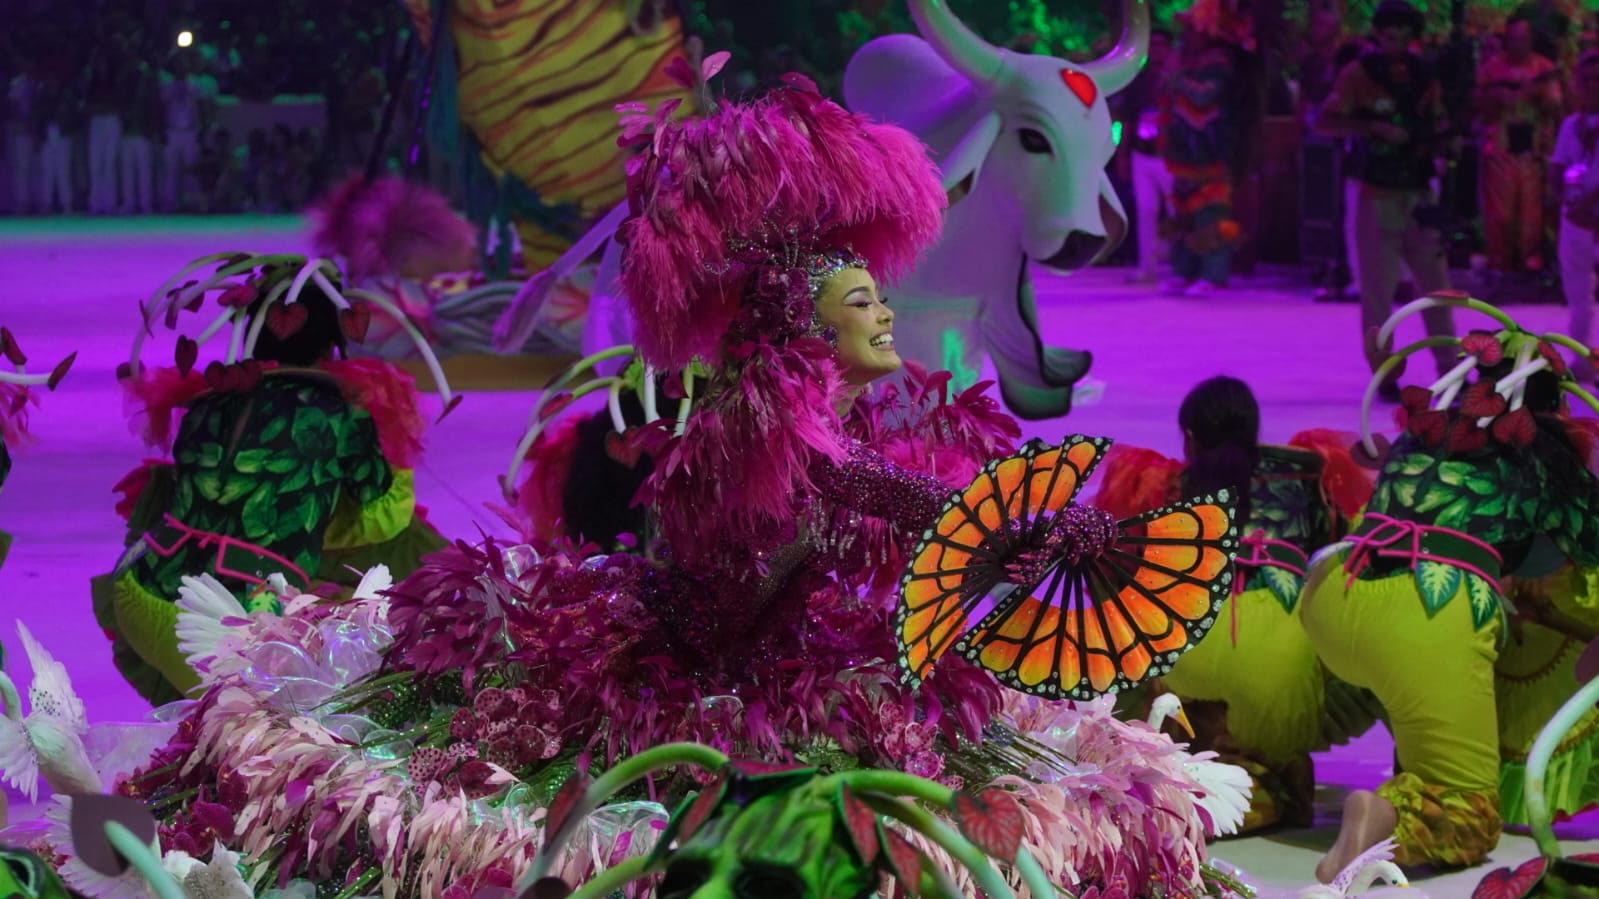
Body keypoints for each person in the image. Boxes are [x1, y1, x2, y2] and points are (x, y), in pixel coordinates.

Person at [1300, 299, 1599, 879]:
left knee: (1398, 681)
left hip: (1335, 591)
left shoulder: (1424, 433)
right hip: (1424, 614)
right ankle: (1388, 818)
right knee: (1469, 815)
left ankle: (1258, 751)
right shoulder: (1542, 456)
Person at [94, 272, 448, 705]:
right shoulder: (339, 414)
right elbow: (382, 519)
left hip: (141, 581)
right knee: (276, 727)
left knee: (213, 717)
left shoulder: (208, 400)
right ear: (331, 342)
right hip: (236, 608)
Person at [1091, 375, 1376, 832]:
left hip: (1183, 661)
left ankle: (1177, 771)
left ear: (1189, 438)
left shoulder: (1159, 486)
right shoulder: (1311, 476)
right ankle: (1262, 779)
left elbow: (1112, 582)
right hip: (1279, 666)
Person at [1314, 0, 1457, 402]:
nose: (1396, 40)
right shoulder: (1359, 73)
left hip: (1420, 192)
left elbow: (1440, 121)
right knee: (1378, 294)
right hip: (1377, 193)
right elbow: (1324, 122)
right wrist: (1371, 127)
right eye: (1389, 32)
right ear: (1377, 34)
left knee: (1438, 290)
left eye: (1403, 33)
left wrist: (1443, 142)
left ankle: (1451, 371)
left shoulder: (1425, 73)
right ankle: (1386, 376)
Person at [1160, 0, 1255, 296]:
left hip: (1210, 151)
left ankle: (1214, 274)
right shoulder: (1185, 59)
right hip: (1184, 152)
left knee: (1210, 213)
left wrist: (1178, 79)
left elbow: (1204, 97)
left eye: (1191, 29)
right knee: (1182, 213)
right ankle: (1183, 271)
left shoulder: (1219, 62)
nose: (1185, 35)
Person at [1476, 13, 1562, 276]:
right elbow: (1475, 106)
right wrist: (1495, 98)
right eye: (1513, 39)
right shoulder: (1492, 68)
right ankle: (1500, 264)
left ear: (1531, 39)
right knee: (1500, 214)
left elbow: (1558, 109)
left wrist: (1537, 95)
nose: (1518, 44)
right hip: (1500, 148)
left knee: (1531, 215)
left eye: (1523, 38)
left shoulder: (1544, 68)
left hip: (1533, 150)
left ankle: (1530, 264)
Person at [1551, 50, 1599, 383]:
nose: (1592, 86)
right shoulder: (1571, 125)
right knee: (1578, 295)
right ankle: (1582, 357)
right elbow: (1557, 167)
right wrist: (1565, 199)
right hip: (1575, 221)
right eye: (1587, 80)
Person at [1114, 27, 1177, 284]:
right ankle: (1146, 267)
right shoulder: (1139, 80)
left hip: (1170, 156)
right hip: (1141, 153)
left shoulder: (1179, 78)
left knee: (1176, 209)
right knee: (1145, 210)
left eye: (1163, 45)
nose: (1158, 50)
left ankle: (1181, 266)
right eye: (1154, 45)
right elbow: (1127, 119)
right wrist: (1122, 154)